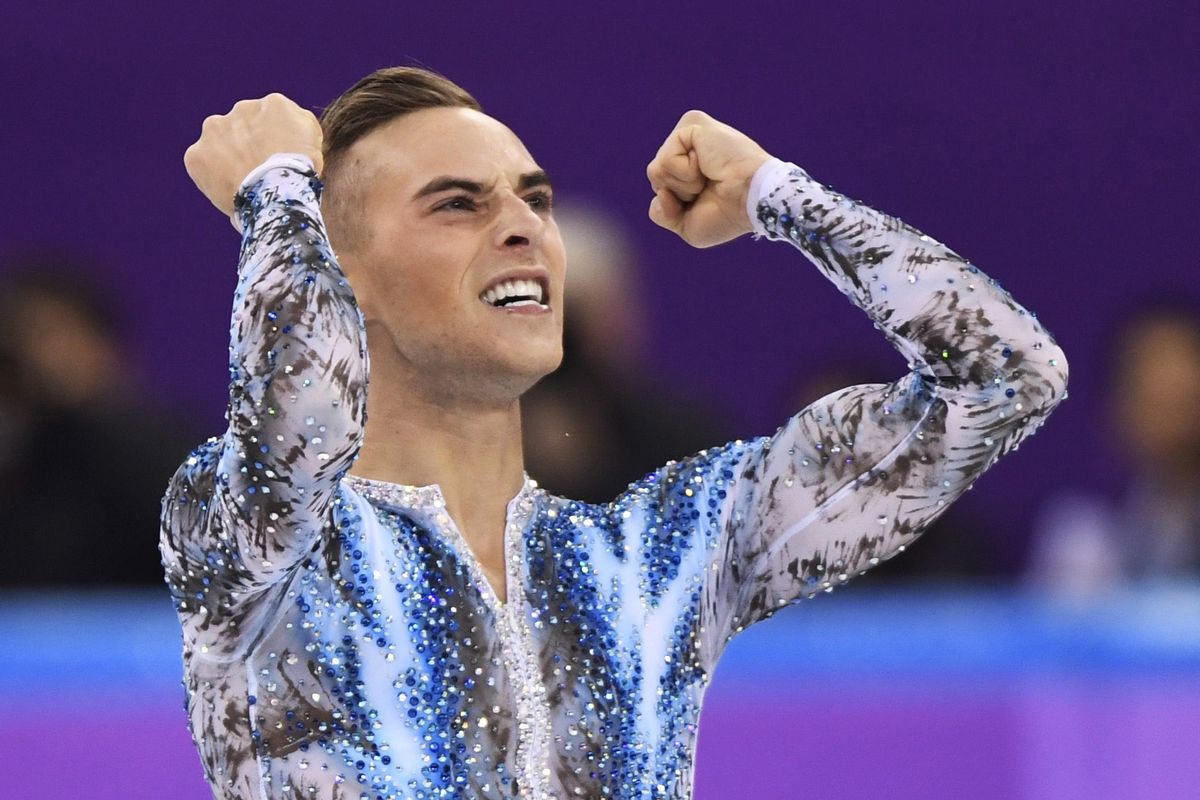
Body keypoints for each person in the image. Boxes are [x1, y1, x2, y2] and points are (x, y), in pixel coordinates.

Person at [161, 67, 1069, 800]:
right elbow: (304, 421)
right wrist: (276, 195)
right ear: (339, 275)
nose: (523, 228)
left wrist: (776, 196)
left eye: (534, 198)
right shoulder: (247, 538)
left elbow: (1007, 375)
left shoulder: (660, 557)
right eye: (457, 204)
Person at [1028, 301, 1200, 593]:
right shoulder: (1083, 536)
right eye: (1154, 400)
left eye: (1183, 401)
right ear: (1118, 409)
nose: (1174, 421)